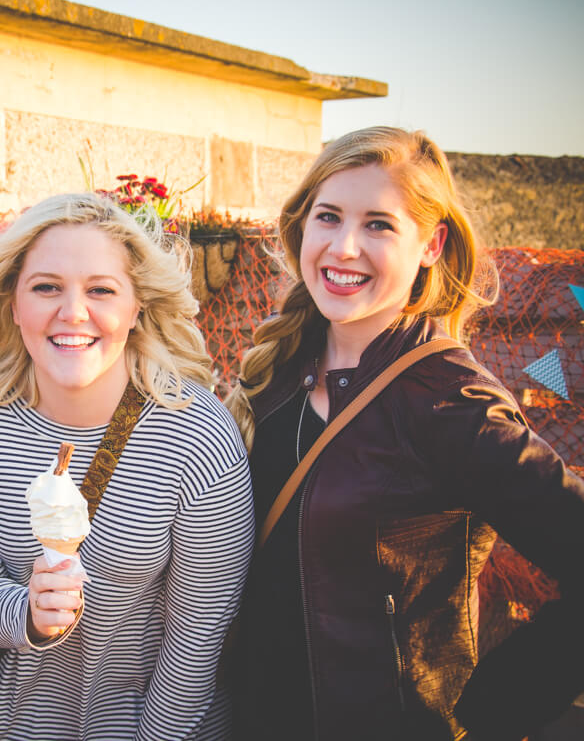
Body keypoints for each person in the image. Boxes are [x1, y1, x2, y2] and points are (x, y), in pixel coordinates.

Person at [224, 126, 584, 740]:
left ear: (430, 244)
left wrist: (492, 713)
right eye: (329, 217)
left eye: (378, 225)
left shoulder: (451, 401)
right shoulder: (277, 372)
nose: (343, 248)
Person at [0, 193, 254, 740]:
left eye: (101, 290)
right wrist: (25, 612)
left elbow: (199, 634)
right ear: (13, 303)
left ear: (136, 306)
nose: (73, 312)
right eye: (46, 287)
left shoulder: (196, 435)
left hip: (159, 724)